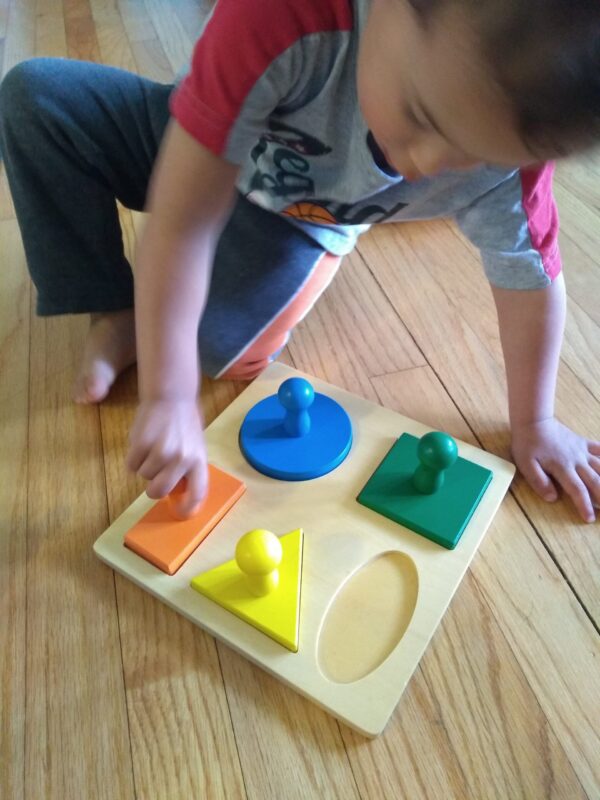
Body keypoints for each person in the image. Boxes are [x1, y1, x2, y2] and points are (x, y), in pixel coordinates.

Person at [1, 0, 599, 521]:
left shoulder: (511, 164)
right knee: (36, 101)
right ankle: (111, 306)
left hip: (299, 215)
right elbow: (183, 221)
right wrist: (169, 395)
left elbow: (530, 275)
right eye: (420, 115)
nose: (423, 164)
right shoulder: (280, 14)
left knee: (218, 347)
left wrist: (535, 424)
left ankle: (331, 240)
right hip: (194, 137)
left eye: (476, 155)